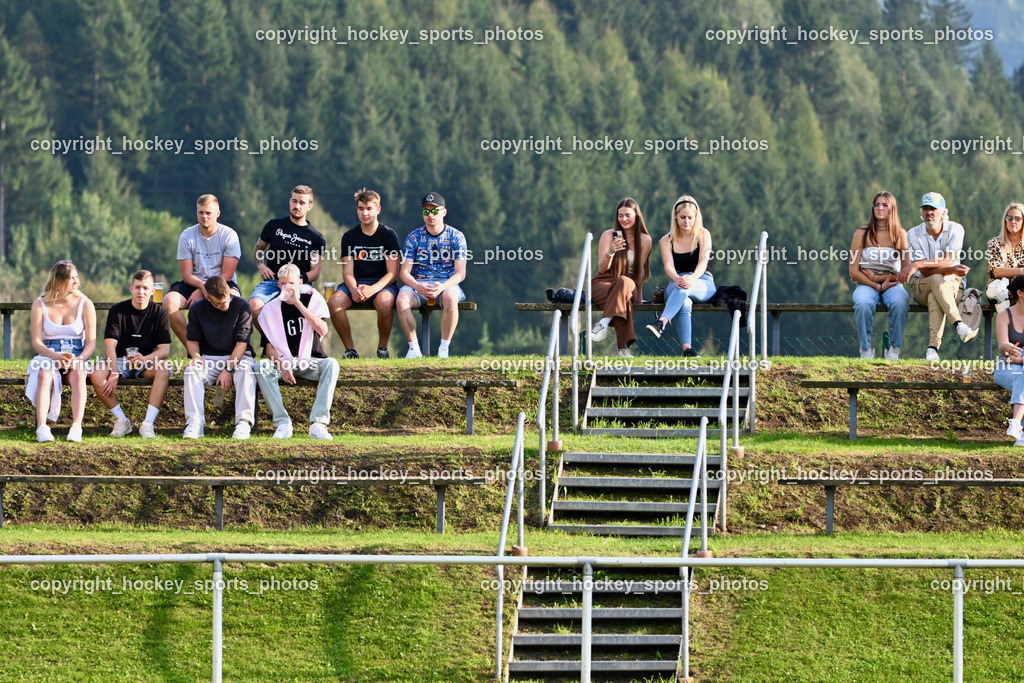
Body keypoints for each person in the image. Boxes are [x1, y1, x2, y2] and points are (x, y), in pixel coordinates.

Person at [255, 264, 340, 439]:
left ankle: (318, 424)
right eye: (284, 283)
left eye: (292, 283)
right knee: (261, 366)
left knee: (332, 364)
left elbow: (322, 329)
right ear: (278, 284)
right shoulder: (270, 309)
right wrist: (281, 365)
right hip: (284, 362)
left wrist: (298, 304)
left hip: (310, 361)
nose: (288, 287)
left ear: (300, 283)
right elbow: (268, 347)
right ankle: (282, 423)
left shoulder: (313, 300)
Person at [89, 270, 172, 438]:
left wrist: (145, 358)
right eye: (137, 287)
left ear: (152, 291)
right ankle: (122, 420)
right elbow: (109, 345)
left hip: (147, 361)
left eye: (145, 288)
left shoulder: (160, 313)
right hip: (119, 360)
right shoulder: (118, 310)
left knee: (164, 369)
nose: (141, 292)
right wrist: (113, 372)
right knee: (96, 374)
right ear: (131, 289)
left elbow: (165, 350)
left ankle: (147, 424)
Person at [897, 192, 976, 361]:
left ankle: (932, 349)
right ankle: (959, 324)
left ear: (944, 213)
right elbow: (926, 273)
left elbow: (948, 260)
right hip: (921, 286)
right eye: (925, 208)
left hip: (952, 286)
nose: (929, 212)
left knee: (936, 293)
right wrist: (950, 269)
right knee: (935, 280)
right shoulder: (913, 234)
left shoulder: (956, 229)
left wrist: (917, 264)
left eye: (933, 208)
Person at [27, 260, 96, 442]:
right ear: (60, 281)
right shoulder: (40, 304)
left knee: (79, 375)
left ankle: (76, 427)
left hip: (76, 353)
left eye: (76, 277)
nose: (76, 282)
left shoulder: (85, 304)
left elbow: (91, 342)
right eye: (71, 278)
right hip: (50, 352)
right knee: (44, 374)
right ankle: (42, 427)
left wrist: (79, 359)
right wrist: (54, 355)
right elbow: (36, 341)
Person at [329, 188, 401, 359]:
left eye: (369, 208)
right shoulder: (349, 236)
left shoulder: (389, 235)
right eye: (361, 209)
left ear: (378, 209)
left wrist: (372, 289)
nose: (365, 213)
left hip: (382, 284)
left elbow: (392, 273)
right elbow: (347, 272)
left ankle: (382, 348)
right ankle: (350, 350)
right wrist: (354, 289)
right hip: (355, 282)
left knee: (384, 302)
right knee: (334, 302)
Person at [182, 275, 257, 439]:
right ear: (208, 298)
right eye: (220, 303)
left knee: (245, 369)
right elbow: (192, 341)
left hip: (239, 357)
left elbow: (242, 343)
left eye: (227, 300)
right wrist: (195, 357)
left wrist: (228, 369)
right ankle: (195, 423)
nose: (225, 306)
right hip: (209, 358)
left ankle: (244, 423)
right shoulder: (197, 309)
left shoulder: (242, 306)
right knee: (191, 371)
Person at [164, 194, 242, 346]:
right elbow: (186, 274)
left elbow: (228, 274)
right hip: (195, 282)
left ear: (217, 213)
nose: (204, 216)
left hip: (223, 282)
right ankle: (194, 349)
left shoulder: (229, 235)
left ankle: (227, 348)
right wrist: (201, 286)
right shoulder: (187, 235)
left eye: (208, 213)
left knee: (234, 301)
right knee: (168, 302)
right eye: (201, 212)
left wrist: (205, 290)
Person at [396, 192, 468, 358]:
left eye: (435, 211)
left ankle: (444, 348)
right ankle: (413, 348)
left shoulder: (456, 236)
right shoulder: (413, 237)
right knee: (401, 300)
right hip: (419, 283)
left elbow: (460, 273)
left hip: (446, 284)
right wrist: (418, 286)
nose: (430, 215)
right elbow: (404, 273)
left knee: (450, 298)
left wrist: (442, 286)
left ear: (444, 212)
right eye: (426, 211)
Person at [645, 195, 714, 357]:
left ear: (696, 218)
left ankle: (661, 322)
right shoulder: (666, 240)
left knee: (685, 290)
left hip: (702, 281)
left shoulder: (703, 234)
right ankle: (687, 349)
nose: (687, 222)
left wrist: (692, 278)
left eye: (691, 218)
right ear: (675, 216)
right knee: (684, 302)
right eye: (683, 217)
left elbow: (703, 262)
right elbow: (668, 266)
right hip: (677, 282)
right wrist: (677, 279)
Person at [249, 185, 327, 329]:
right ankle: (272, 343)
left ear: (310, 206)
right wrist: (261, 265)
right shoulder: (273, 226)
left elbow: (315, 272)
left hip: (300, 285)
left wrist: (295, 282)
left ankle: (300, 348)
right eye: (294, 201)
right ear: (289, 201)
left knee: (310, 309)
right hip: (272, 283)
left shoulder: (316, 238)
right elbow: (258, 249)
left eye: (302, 203)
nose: (297, 206)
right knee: (254, 306)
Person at [849, 191, 910, 360]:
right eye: (877, 204)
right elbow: (853, 271)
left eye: (885, 204)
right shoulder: (861, 233)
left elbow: (906, 272)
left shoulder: (900, 234)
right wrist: (874, 284)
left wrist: (878, 280)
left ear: (892, 209)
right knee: (862, 303)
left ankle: (894, 350)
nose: (880, 208)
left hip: (893, 282)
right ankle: (866, 350)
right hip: (865, 283)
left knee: (900, 303)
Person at [590, 197, 653, 357]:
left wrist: (638, 299)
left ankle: (603, 324)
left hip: (628, 284)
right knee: (622, 300)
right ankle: (623, 348)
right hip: (603, 282)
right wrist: (610, 252)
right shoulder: (609, 235)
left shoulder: (645, 240)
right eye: (620, 215)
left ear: (636, 216)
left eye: (627, 215)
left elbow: (639, 272)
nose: (623, 219)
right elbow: (602, 268)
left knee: (623, 282)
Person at [994, 275, 1024, 445]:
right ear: (1020, 293)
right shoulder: (1004, 316)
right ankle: (1020, 428)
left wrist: (1019, 361)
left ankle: (1016, 424)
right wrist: (1006, 348)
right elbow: (1002, 346)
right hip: (1006, 365)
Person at [986, 203, 1024, 286]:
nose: (1013, 221)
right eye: (1009, 218)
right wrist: (1022, 271)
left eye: (1017, 218)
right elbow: (996, 271)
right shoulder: (995, 243)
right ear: (1005, 221)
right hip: (1001, 293)